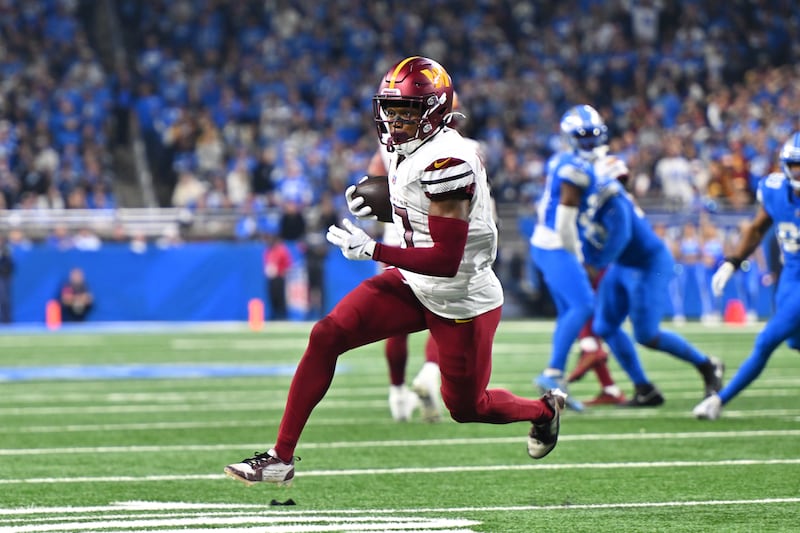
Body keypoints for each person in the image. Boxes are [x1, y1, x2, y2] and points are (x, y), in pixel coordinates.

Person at [224, 56, 566, 486]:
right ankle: (280, 458)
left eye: (408, 110)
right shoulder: (402, 147)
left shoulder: (449, 161)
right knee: (326, 334)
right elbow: (414, 203)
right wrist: (378, 201)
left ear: (436, 111)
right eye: (391, 107)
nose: (396, 119)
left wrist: (373, 248)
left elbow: (445, 259)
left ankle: (543, 410)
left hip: (460, 295)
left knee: (467, 407)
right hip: (414, 281)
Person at [581, 155, 725, 406]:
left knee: (646, 333)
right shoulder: (597, 203)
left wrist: (597, 262)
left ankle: (707, 364)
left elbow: (621, 236)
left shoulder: (618, 203)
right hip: (623, 264)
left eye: (622, 180)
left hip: (650, 265)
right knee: (604, 326)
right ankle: (643, 387)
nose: (619, 185)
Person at [693, 132, 800, 420]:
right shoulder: (775, 189)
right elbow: (756, 228)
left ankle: (719, 401)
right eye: (796, 165)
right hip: (791, 276)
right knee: (795, 342)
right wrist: (732, 262)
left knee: (768, 340)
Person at [530, 104, 612, 412]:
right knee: (583, 305)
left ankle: (554, 378)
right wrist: (578, 255)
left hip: (548, 243)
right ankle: (552, 374)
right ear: (569, 137)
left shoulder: (565, 160)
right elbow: (564, 221)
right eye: (583, 137)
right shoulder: (574, 167)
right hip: (556, 243)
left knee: (569, 311)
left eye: (593, 136)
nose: (589, 143)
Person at [263, 230, 292, 320]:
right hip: (271, 278)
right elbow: (267, 263)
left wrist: (282, 272)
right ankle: (274, 316)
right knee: (273, 298)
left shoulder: (282, 250)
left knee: (281, 298)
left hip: (279, 277)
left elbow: (287, 264)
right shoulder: (269, 251)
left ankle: (283, 317)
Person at [0, 234, 13, 323]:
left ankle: (6, 321)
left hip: (3, 277)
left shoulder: (6, 250)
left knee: (4, 300)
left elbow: (8, 265)